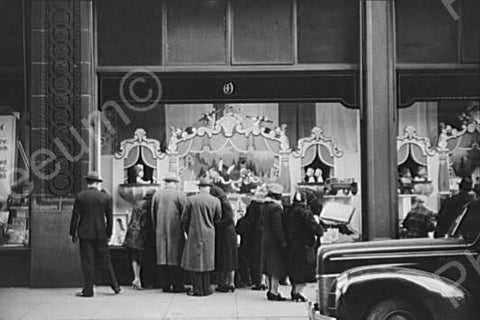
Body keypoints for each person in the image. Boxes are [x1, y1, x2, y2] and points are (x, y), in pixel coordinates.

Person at [69, 172, 121, 297]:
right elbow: (109, 218)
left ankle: (88, 290)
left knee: (88, 261)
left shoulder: (81, 196)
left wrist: (73, 233)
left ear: (87, 183)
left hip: (85, 233)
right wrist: (109, 233)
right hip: (100, 232)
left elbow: (75, 216)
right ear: (98, 183)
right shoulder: (106, 198)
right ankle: (115, 286)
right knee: (105, 260)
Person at [181, 177, 221, 296]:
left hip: (194, 232)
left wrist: (188, 230)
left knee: (195, 261)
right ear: (209, 188)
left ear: (199, 187)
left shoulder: (191, 200)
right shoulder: (215, 201)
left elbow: (184, 218)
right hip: (209, 233)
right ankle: (206, 288)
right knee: (207, 261)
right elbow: (217, 218)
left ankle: (197, 288)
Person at [151, 172, 188, 293]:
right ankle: (178, 285)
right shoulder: (180, 195)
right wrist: (184, 229)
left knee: (163, 257)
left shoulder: (157, 195)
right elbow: (185, 215)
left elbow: (153, 214)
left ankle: (165, 285)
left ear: (165, 182)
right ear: (175, 183)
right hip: (175, 230)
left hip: (160, 231)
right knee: (175, 257)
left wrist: (156, 227)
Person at [284, 191, 323, 302]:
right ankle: (299, 292)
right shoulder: (305, 213)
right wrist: (320, 229)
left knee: (294, 268)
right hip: (304, 245)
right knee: (304, 269)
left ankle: (295, 290)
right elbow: (316, 229)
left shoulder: (288, 212)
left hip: (291, 244)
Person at [260, 183, 288, 301]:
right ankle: (274, 291)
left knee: (267, 266)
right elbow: (277, 227)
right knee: (275, 267)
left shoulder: (264, 206)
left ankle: (269, 289)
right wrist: (283, 242)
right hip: (274, 241)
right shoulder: (276, 208)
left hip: (265, 238)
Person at [123, 189, 155, 290]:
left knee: (134, 257)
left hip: (131, 232)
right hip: (140, 234)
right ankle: (138, 280)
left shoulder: (137, 203)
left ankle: (136, 278)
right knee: (141, 258)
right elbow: (144, 222)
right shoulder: (147, 205)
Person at [238, 185, 268, 290]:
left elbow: (248, 222)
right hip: (264, 235)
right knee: (263, 259)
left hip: (254, 237)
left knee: (255, 259)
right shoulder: (267, 206)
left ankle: (257, 282)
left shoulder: (253, 206)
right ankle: (263, 281)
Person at [210, 186, 238, 292]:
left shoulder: (222, 204)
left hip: (225, 233)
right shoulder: (226, 203)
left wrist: (216, 224)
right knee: (230, 258)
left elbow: (228, 219)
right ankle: (230, 283)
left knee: (225, 258)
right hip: (229, 233)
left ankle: (226, 283)